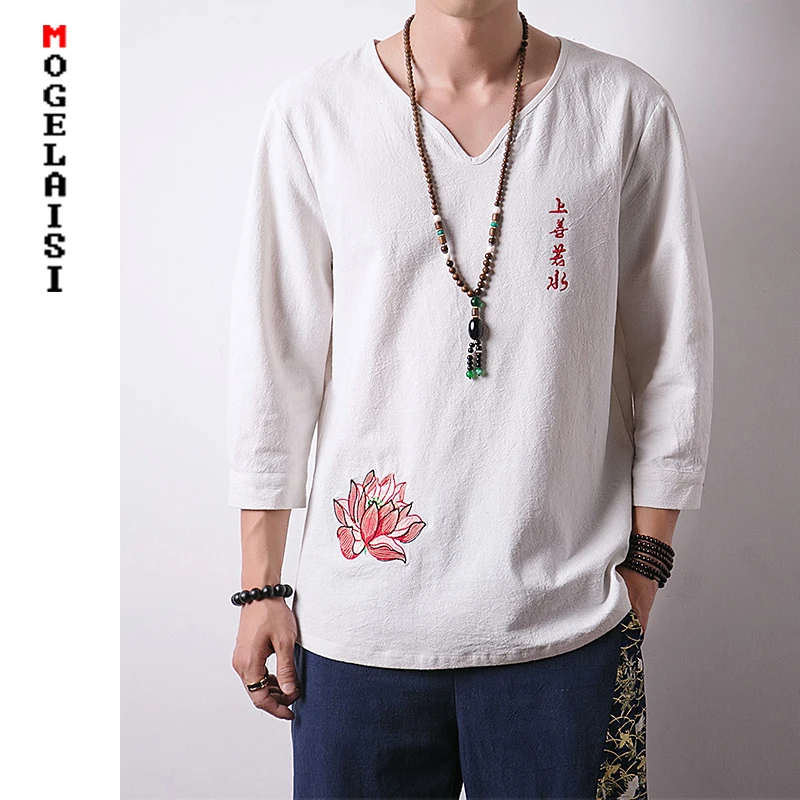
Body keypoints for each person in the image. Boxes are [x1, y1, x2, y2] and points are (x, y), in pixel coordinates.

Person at [226, 1, 714, 797]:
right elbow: (273, 364)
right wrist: (260, 585)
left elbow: (673, 352)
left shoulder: (623, 109)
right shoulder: (313, 114)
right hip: (359, 633)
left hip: (565, 630)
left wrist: (646, 570)